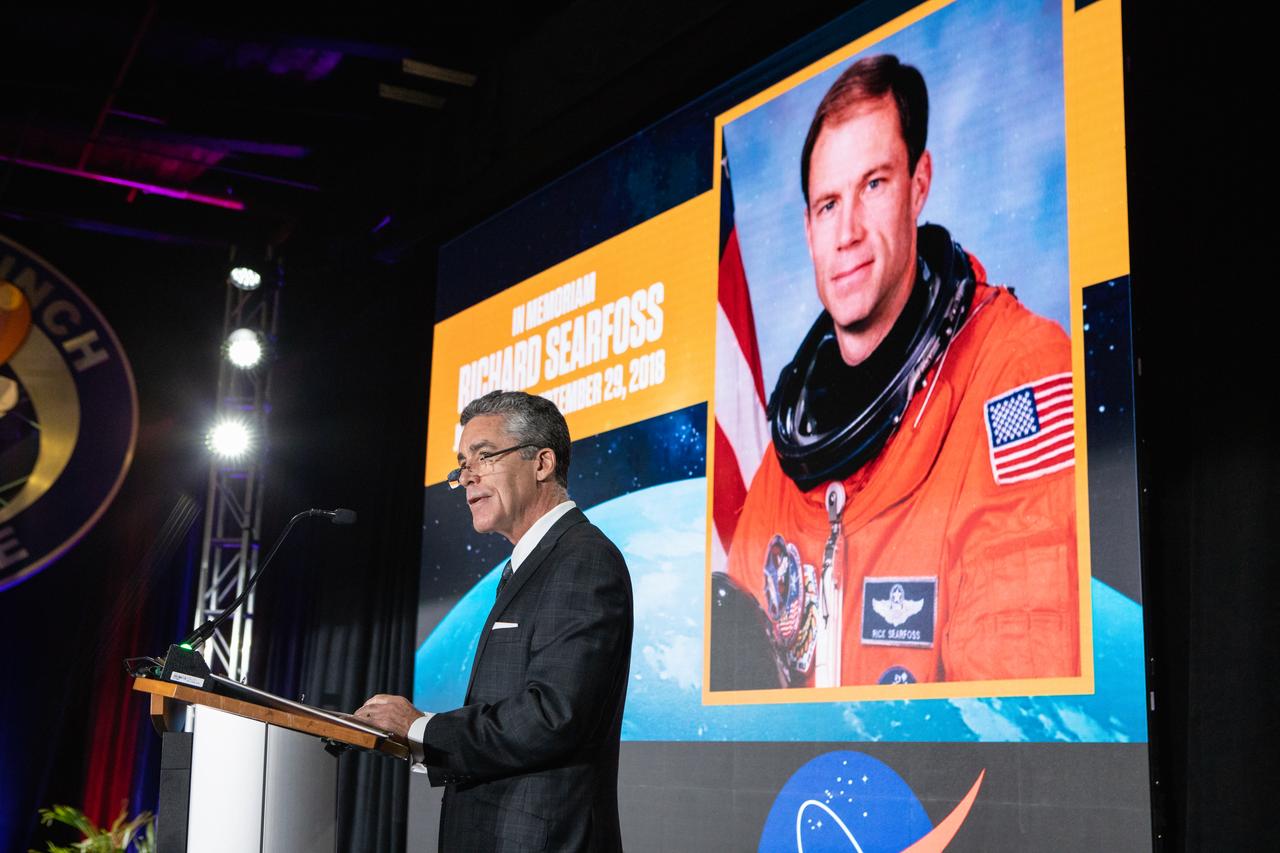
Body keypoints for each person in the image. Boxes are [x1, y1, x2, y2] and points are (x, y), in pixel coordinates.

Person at [721, 54, 1078, 688]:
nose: (848, 232)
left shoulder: (1014, 374)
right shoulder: (789, 456)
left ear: (919, 183)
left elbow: (1009, 709)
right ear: (807, 229)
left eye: (874, 185)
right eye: (828, 204)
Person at [357, 390, 633, 851]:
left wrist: (421, 728)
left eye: (483, 457)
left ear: (542, 463)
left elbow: (552, 715)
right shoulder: (531, 564)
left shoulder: (583, 560)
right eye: (462, 464)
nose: (466, 478)